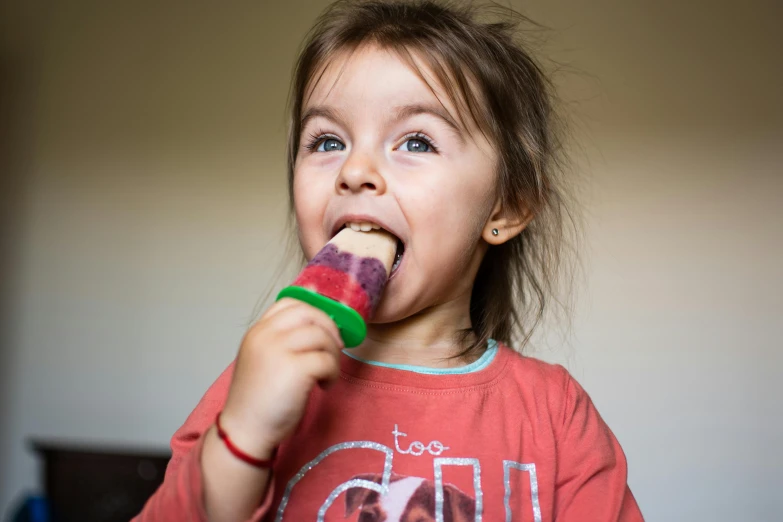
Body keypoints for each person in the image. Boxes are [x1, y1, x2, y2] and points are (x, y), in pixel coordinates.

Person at [133, 1, 644, 520]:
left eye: (416, 141)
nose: (355, 170)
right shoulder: (257, 383)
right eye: (328, 141)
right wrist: (241, 434)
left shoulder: (552, 415)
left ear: (507, 205)